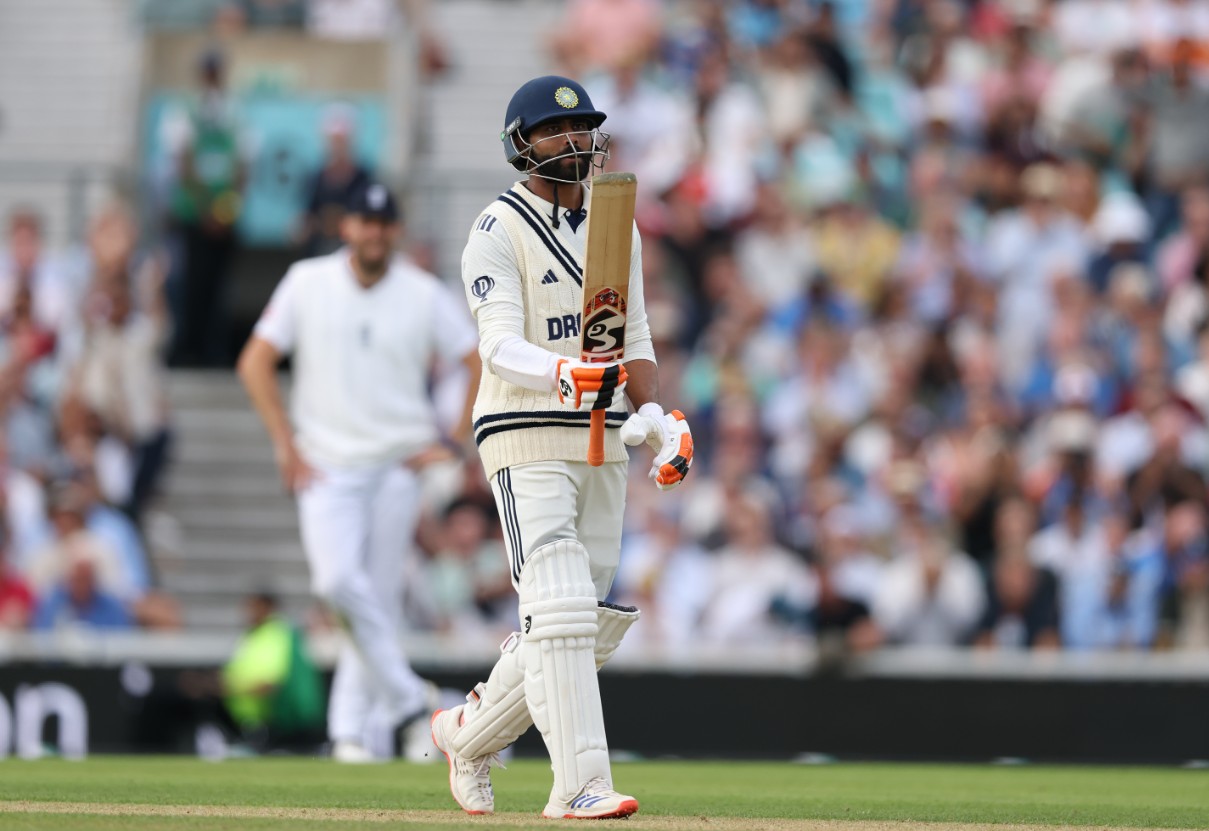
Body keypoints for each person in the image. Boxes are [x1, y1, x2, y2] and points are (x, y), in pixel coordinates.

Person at [429, 75, 694, 820]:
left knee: (582, 621)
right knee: (562, 608)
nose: (575, 142)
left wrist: (661, 419)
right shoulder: (496, 226)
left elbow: (632, 336)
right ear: (523, 144)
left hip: (601, 435)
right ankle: (578, 784)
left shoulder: (616, 223)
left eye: (582, 130)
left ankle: (468, 734)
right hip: (522, 428)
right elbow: (498, 343)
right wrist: (564, 372)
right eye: (556, 130)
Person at [237, 181, 481, 762]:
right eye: (363, 222)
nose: (373, 232)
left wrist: (452, 439)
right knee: (336, 584)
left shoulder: (422, 293)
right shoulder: (307, 282)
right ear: (346, 227)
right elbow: (256, 361)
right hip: (325, 464)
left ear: (395, 230)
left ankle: (348, 734)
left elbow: (477, 359)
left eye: (383, 223)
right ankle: (409, 703)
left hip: (398, 463)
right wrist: (284, 445)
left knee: (368, 600)